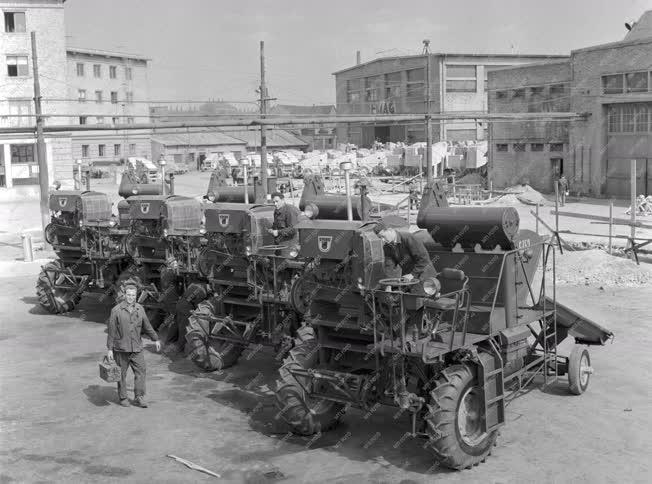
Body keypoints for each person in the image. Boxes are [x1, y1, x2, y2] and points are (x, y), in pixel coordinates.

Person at [107, 285, 160, 408]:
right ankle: (123, 397)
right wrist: (110, 349)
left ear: (136, 296)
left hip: (136, 347)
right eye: (129, 295)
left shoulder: (139, 308)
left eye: (133, 295)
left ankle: (139, 397)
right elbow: (111, 331)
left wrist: (155, 339)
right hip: (121, 348)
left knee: (141, 371)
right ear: (124, 295)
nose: (131, 297)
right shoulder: (116, 310)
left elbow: (147, 325)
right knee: (121, 374)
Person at [373, 219, 437, 294]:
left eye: (383, 236)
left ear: (390, 230)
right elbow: (389, 267)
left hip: (425, 275)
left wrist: (413, 274)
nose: (383, 240)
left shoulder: (409, 238)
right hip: (408, 277)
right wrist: (388, 285)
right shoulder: (387, 247)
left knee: (419, 300)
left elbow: (424, 259)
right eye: (380, 238)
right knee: (405, 299)